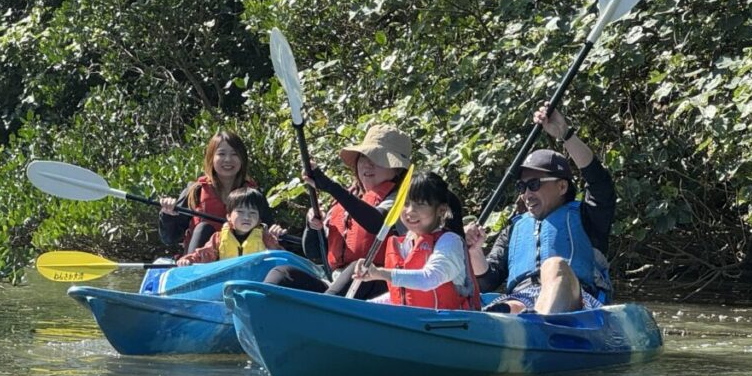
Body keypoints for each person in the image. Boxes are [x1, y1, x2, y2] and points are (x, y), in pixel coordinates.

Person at [465, 105, 615, 314]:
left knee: (555, 265)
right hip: (522, 300)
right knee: (508, 306)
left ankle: (540, 322)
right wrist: (474, 251)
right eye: (522, 187)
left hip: (577, 303)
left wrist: (565, 134)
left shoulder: (588, 216)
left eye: (534, 184)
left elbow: (600, 182)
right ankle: (519, 319)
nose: (526, 194)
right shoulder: (514, 229)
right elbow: (487, 281)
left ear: (562, 187)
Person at [263, 124, 418, 299]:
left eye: (378, 159)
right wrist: (312, 226)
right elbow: (315, 254)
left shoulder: (404, 200)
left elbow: (377, 223)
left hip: (378, 284)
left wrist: (329, 186)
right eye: (364, 157)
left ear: (397, 169)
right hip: (337, 286)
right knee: (282, 274)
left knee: (360, 267)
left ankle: (324, 310)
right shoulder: (348, 199)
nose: (368, 164)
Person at [352, 171, 481, 310]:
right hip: (413, 320)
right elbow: (402, 296)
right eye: (406, 203)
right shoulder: (406, 243)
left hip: (450, 321)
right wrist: (361, 308)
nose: (410, 211)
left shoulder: (450, 242)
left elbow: (429, 278)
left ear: (441, 210)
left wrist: (380, 273)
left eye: (420, 204)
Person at [158, 131, 255, 254]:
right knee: (204, 228)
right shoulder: (195, 191)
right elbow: (169, 238)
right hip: (200, 260)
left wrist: (275, 232)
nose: (228, 159)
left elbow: (267, 231)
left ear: (242, 159)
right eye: (221, 154)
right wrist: (167, 215)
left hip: (238, 259)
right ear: (211, 158)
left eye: (234, 154)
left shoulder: (252, 194)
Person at [175, 187, 283, 265]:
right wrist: (188, 260)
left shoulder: (266, 238)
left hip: (255, 279)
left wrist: (276, 239)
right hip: (228, 279)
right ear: (229, 217)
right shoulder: (218, 238)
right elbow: (203, 255)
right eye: (240, 212)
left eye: (252, 213)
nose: (247, 217)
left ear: (259, 219)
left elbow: (281, 257)